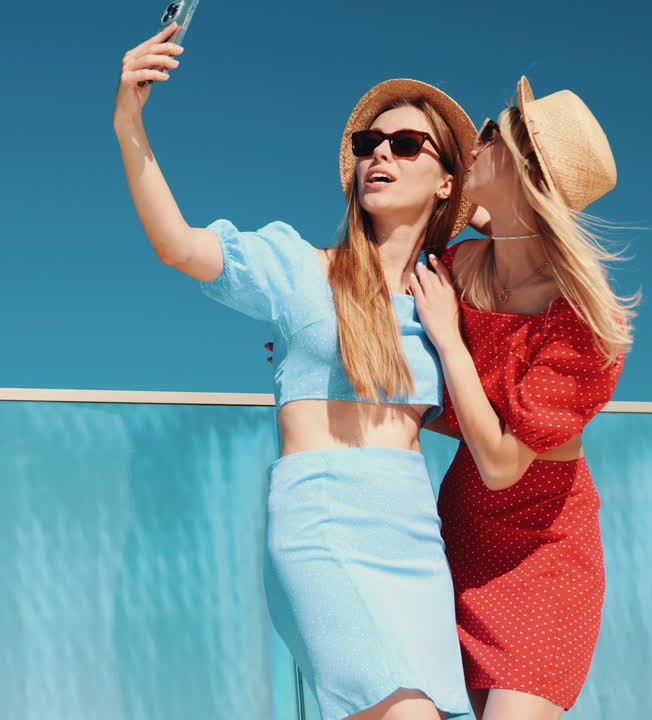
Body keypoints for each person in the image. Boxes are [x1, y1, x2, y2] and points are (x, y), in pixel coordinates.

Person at [114, 24, 474, 720]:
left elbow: (532, 254)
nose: (380, 155)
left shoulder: (447, 299)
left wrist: (477, 210)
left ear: (446, 180)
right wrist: (128, 121)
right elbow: (177, 245)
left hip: (412, 533)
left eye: (406, 145)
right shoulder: (298, 268)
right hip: (323, 520)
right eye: (369, 144)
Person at [408, 77, 637, 719]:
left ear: (525, 167)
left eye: (491, 132)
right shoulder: (459, 267)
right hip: (461, 538)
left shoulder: (582, 321)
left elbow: (504, 464)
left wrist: (449, 341)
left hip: (546, 555)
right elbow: (448, 411)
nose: (473, 140)